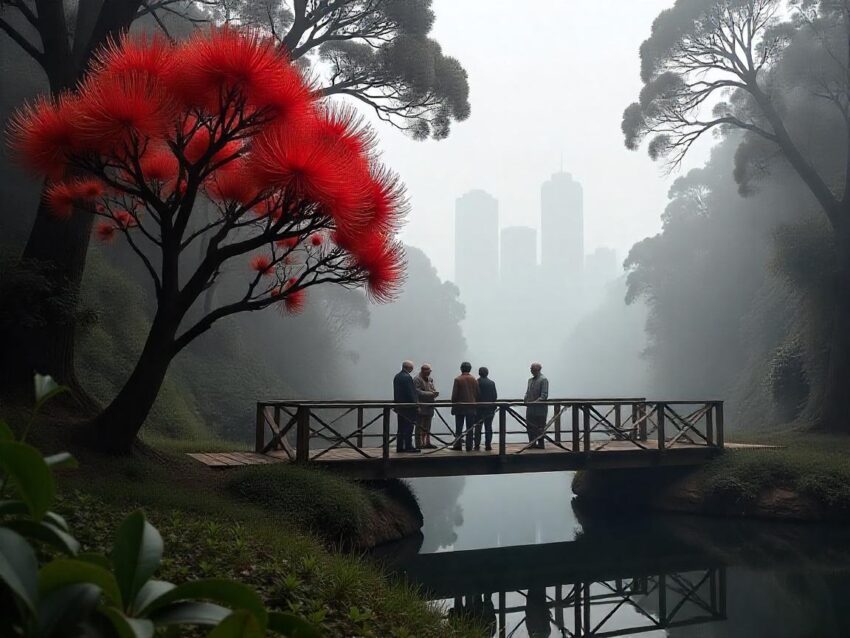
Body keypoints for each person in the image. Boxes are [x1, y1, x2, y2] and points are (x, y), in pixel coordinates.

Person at [451, 361, 479, 451]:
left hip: (460, 407)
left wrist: (453, 404)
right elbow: (477, 393)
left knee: (459, 427)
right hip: (471, 407)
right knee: (470, 428)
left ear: (461, 369)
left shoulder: (458, 379)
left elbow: (454, 395)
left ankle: (458, 445)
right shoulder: (474, 379)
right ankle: (469, 446)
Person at [393, 360, 419, 453]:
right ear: (408, 368)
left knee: (401, 427)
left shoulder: (397, 376)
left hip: (400, 406)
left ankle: (400, 446)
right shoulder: (407, 377)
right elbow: (410, 393)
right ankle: (408, 446)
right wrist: (416, 405)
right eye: (411, 368)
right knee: (409, 427)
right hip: (408, 407)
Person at [413, 363, 439, 449]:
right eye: (428, 371)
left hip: (430, 406)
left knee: (428, 425)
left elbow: (432, 389)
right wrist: (430, 394)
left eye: (430, 371)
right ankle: (419, 443)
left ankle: (427, 442)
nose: (429, 373)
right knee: (419, 425)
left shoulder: (430, 379)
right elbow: (417, 392)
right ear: (423, 370)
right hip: (421, 405)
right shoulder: (417, 379)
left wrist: (434, 393)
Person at [524, 362, 549, 449]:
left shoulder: (543, 380)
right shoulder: (530, 380)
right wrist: (525, 399)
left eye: (532, 369)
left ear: (537, 370)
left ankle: (541, 444)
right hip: (530, 408)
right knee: (529, 426)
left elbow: (544, 395)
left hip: (540, 409)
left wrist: (534, 402)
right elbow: (528, 392)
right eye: (531, 369)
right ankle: (532, 443)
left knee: (540, 426)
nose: (531, 371)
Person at [476, 367, 498, 451]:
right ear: (487, 373)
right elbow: (494, 396)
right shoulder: (491, 383)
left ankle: (477, 444)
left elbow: (475, 395)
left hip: (478, 408)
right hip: (489, 408)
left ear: (479, 373)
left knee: (478, 427)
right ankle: (488, 444)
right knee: (488, 427)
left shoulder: (476, 382)